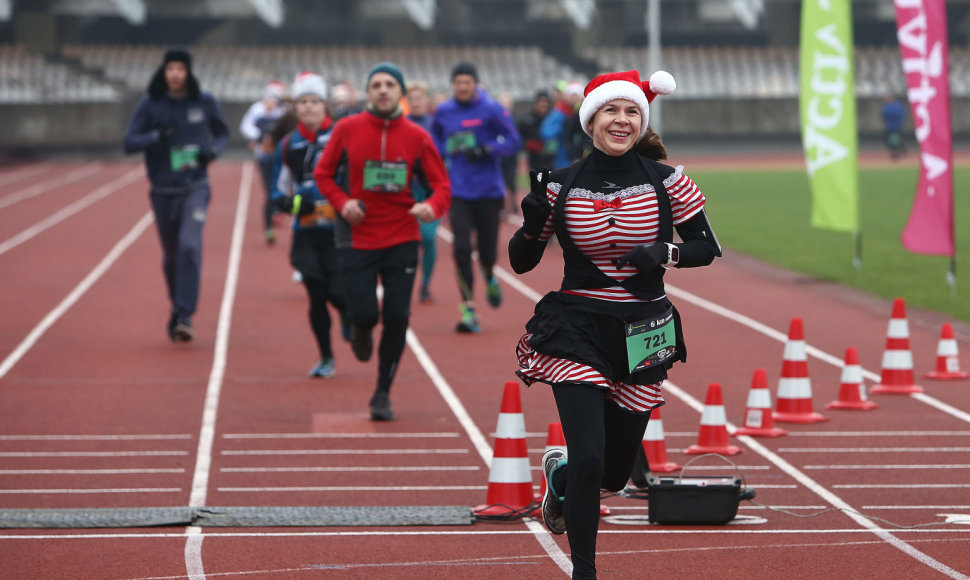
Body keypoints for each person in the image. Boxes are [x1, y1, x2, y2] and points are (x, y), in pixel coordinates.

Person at [508, 70, 721, 579]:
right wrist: (532, 219)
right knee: (588, 456)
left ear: (640, 121)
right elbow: (520, 262)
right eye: (610, 110)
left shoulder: (668, 181)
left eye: (630, 111)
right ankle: (585, 571)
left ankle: (559, 481)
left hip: (645, 328)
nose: (621, 120)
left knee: (614, 470)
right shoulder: (558, 184)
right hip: (575, 327)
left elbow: (705, 247)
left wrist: (665, 252)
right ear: (591, 120)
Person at [313, 62, 451, 420]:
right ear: (368, 92)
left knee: (397, 316)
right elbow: (323, 173)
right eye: (377, 84)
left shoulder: (418, 136)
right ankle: (359, 327)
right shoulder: (346, 129)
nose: (384, 90)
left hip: (401, 236)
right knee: (365, 313)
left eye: (391, 84)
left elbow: (442, 186)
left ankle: (382, 393)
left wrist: (429, 206)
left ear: (400, 93)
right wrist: (343, 204)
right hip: (356, 235)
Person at [123, 46, 230, 343]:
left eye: (180, 69)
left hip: (195, 186)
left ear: (188, 72)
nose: (175, 74)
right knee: (171, 258)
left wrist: (213, 152)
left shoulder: (203, 101)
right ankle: (176, 305)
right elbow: (129, 142)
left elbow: (222, 133)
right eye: (170, 68)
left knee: (189, 247)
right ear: (164, 71)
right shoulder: (151, 104)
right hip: (161, 190)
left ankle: (185, 313)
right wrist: (156, 136)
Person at [270, 72, 350, 378]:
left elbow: (355, 175)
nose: (308, 108)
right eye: (302, 102)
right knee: (315, 294)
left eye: (314, 101)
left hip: (338, 230)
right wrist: (290, 204)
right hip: (305, 231)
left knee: (338, 293)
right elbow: (278, 187)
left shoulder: (342, 136)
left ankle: (346, 315)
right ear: (296, 107)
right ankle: (326, 356)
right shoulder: (289, 143)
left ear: (324, 105)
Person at [431, 61, 521, 333]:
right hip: (458, 190)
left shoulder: (491, 108)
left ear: (475, 84)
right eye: (458, 83)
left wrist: (487, 149)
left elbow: (514, 140)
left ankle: (490, 275)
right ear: (453, 85)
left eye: (467, 82)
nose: (462, 87)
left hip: (488, 190)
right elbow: (433, 141)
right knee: (460, 249)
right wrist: (444, 150)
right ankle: (469, 309)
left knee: (487, 251)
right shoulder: (444, 111)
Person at [240, 80, 288, 245]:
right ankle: (269, 226)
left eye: (274, 100)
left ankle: (281, 211)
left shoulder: (283, 113)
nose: (270, 104)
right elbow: (245, 126)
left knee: (283, 188)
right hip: (264, 158)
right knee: (269, 190)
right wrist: (259, 137)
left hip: (281, 157)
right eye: (268, 99)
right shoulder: (256, 110)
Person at [406, 80, 440, 304]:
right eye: (412, 98)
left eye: (420, 98)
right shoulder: (401, 124)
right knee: (407, 240)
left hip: (430, 191)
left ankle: (425, 283)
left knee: (427, 238)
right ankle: (405, 281)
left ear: (427, 101)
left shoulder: (436, 125)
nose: (416, 102)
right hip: (405, 191)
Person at [518, 89, 555, 179]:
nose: (543, 104)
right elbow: (518, 138)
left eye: (545, 101)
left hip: (552, 159)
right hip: (534, 159)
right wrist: (529, 144)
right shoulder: (527, 119)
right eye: (540, 101)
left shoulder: (554, 118)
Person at [881, 93, 907, 160]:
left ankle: (897, 153)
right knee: (889, 141)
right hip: (889, 127)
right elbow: (883, 115)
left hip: (896, 127)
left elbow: (898, 114)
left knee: (896, 141)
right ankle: (894, 153)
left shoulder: (896, 105)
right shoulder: (886, 105)